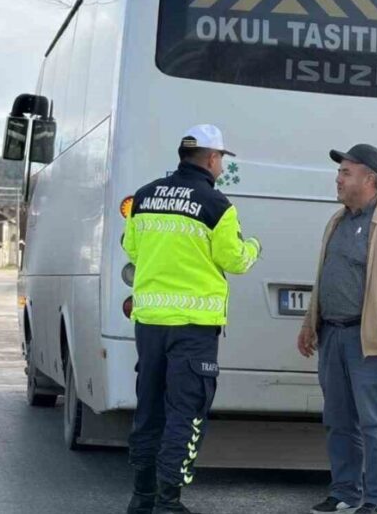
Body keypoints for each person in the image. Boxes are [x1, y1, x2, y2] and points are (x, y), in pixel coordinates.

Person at [123, 124, 261, 514]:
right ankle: (169, 503)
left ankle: (141, 497)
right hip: (194, 329)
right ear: (213, 159)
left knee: (148, 409)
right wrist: (253, 246)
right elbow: (234, 259)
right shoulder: (217, 205)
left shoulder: (146, 195)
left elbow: (131, 247)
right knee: (185, 413)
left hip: (149, 324)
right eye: (221, 160)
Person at [297, 144, 377, 514]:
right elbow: (324, 278)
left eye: (346, 172)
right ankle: (344, 493)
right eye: (339, 173)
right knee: (338, 420)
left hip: (370, 339)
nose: (338, 179)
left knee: (376, 422)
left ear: (370, 179)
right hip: (332, 334)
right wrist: (310, 325)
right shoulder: (337, 221)